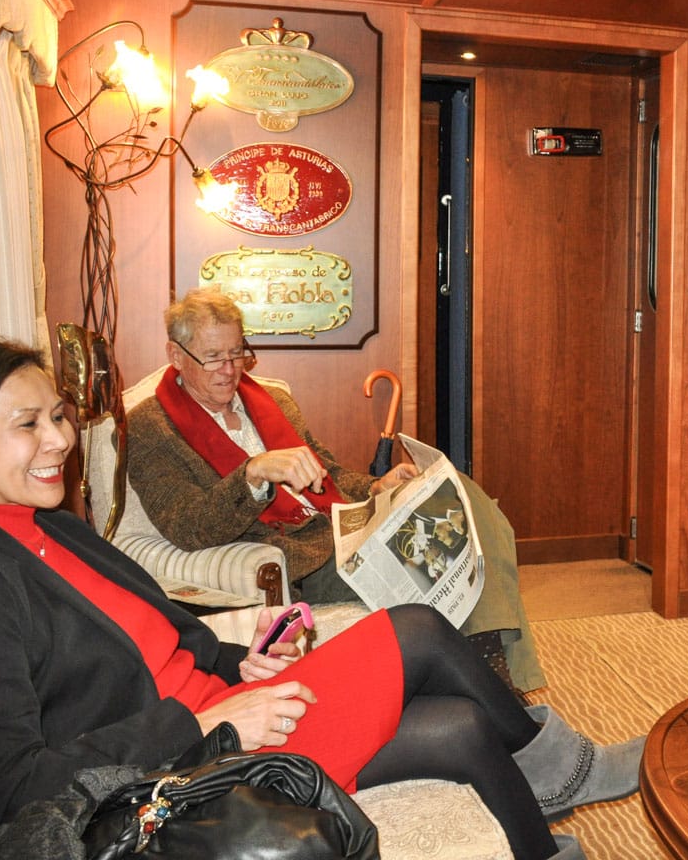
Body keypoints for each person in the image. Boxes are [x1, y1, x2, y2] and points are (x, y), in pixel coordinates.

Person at [0, 335, 643, 859]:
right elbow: (5, 792)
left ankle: (540, 833)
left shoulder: (50, 528)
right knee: (414, 629)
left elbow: (155, 642)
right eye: (27, 425)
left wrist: (237, 662)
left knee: (457, 728)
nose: (58, 439)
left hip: (221, 720)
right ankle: (560, 765)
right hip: (181, 773)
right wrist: (205, 720)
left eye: (56, 416)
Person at [126, 289, 543, 694]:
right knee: (437, 555)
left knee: (464, 499)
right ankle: (494, 678)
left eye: (237, 352)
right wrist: (252, 474)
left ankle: (487, 668)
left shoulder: (270, 400)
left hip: (346, 525)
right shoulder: (149, 427)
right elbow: (186, 526)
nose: (230, 369)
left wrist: (377, 485)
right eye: (213, 357)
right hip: (307, 556)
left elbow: (329, 474)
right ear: (176, 356)